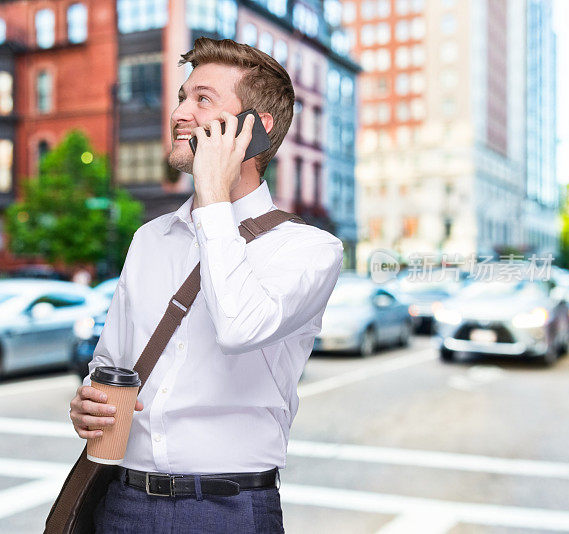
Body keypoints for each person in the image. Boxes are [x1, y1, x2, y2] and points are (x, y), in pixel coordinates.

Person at [69, 38, 343, 533]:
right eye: (181, 97)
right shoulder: (150, 239)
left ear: (254, 132)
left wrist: (213, 195)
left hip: (228, 510)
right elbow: (111, 364)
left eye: (203, 100)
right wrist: (90, 401)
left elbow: (240, 327)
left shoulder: (310, 249)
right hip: (123, 502)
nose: (179, 112)